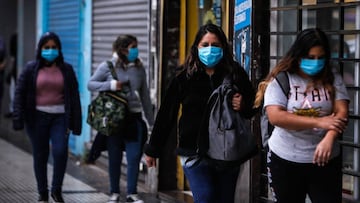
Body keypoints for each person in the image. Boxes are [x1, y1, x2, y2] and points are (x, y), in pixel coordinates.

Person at [144, 23, 256, 203]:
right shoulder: (184, 76)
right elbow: (167, 114)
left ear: (223, 48)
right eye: (205, 45)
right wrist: (153, 149)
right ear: (197, 47)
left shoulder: (235, 73)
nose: (210, 49)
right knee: (206, 198)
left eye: (216, 45)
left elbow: (253, 106)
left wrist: (243, 104)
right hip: (193, 151)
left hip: (227, 152)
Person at [254, 28, 349, 203]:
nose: (316, 62)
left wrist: (329, 137)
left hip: (325, 160)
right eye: (311, 57)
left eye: (320, 58)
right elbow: (276, 116)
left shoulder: (332, 77)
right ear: (298, 55)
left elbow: (342, 111)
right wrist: (320, 122)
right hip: (286, 159)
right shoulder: (282, 79)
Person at [12, 32, 82, 203]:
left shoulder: (67, 69)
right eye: (47, 48)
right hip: (36, 118)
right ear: (40, 49)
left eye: (54, 47)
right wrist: (18, 118)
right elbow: (20, 93)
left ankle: (56, 190)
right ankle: (42, 192)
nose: (51, 51)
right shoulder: (31, 69)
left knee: (60, 152)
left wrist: (76, 123)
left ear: (59, 49)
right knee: (40, 155)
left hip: (60, 118)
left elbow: (74, 97)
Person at [88, 34, 154, 203]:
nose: (135, 51)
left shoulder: (139, 68)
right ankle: (114, 193)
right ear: (122, 49)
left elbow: (145, 96)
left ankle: (132, 193)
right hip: (114, 120)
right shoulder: (108, 66)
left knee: (133, 158)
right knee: (115, 158)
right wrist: (110, 85)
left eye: (136, 47)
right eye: (133, 47)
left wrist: (152, 122)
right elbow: (91, 84)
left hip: (134, 118)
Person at [4, 32, 17, 118]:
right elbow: (12, 57)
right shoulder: (14, 37)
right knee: (13, 89)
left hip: (19, 66)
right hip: (15, 68)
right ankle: (13, 110)